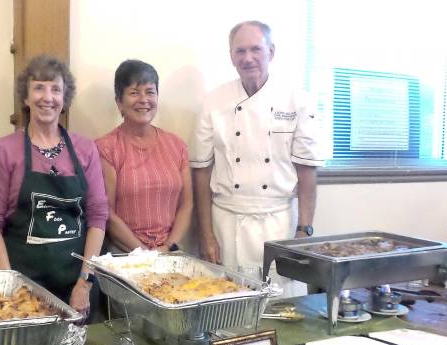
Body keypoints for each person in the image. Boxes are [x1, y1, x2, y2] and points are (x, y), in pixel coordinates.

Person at [190, 20, 327, 273]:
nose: (248, 58)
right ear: (231, 56)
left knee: (282, 304)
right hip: (226, 223)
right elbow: (201, 171)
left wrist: (304, 231)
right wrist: (206, 234)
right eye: (240, 51)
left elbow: (307, 171)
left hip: (279, 223)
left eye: (256, 49)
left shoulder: (297, 100)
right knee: (227, 303)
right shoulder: (213, 102)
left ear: (271, 52)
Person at [0, 55, 108, 319]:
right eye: (38, 87)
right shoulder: (4, 150)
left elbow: (98, 216)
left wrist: (85, 283)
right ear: (26, 98)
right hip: (23, 288)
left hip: (77, 286)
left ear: (64, 100)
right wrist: (11, 287)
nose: (47, 97)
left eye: (56, 89)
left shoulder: (85, 149)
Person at [96, 60, 193, 253]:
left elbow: (186, 204)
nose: (144, 99)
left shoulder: (177, 145)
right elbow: (108, 213)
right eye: (134, 92)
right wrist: (144, 254)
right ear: (119, 102)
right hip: (124, 254)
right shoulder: (105, 148)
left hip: (169, 252)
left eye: (150, 91)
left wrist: (167, 247)